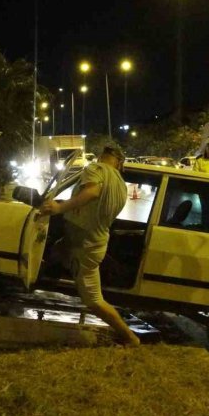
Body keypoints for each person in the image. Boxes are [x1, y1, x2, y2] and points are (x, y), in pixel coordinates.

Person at [38, 146, 140, 346]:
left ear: (103, 157)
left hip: (85, 244)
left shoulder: (97, 169)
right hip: (91, 240)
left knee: (93, 300)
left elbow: (92, 192)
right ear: (119, 163)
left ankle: (130, 337)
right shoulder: (120, 184)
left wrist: (59, 207)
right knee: (55, 251)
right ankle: (39, 279)